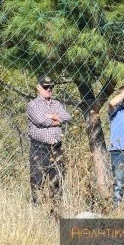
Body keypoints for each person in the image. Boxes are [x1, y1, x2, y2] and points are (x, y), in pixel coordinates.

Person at [26, 75, 71, 208]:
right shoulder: (32, 105)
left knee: (57, 180)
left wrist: (53, 117)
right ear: (38, 88)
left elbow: (67, 117)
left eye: (51, 87)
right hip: (39, 148)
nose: (49, 89)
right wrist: (55, 119)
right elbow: (40, 121)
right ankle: (37, 209)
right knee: (37, 180)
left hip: (56, 147)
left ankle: (55, 210)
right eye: (45, 87)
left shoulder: (56, 103)